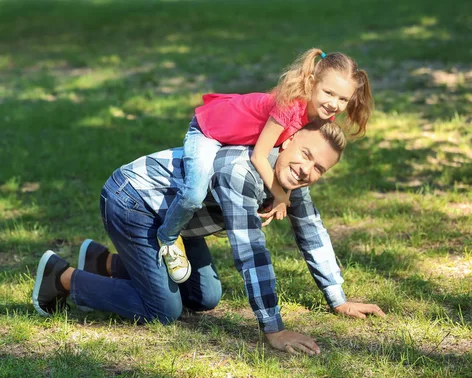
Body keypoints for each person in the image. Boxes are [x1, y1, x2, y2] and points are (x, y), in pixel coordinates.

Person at [32, 120, 385, 355]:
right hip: (134, 201)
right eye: (306, 155)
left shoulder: (288, 183)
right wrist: (273, 329)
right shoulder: (241, 172)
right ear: (288, 141)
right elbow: (250, 253)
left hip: (176, 223)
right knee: (162, 311)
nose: (308, 170)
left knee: (205, 296)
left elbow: (312, 232)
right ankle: (60, 277)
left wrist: (337, 299)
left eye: (320, 169)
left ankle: (102, 262)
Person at [157, 48, 374, 284]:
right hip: (209, 130)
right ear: (312, 83)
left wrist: (285, 194)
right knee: (194, 193)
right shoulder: (289, 106)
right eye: (329, 93)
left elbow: (291, 153)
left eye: (343, 99)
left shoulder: (322, 116)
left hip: (235, 138)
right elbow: (259, 156)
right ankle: (167, 236)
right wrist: (280, 196)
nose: (334, 104)